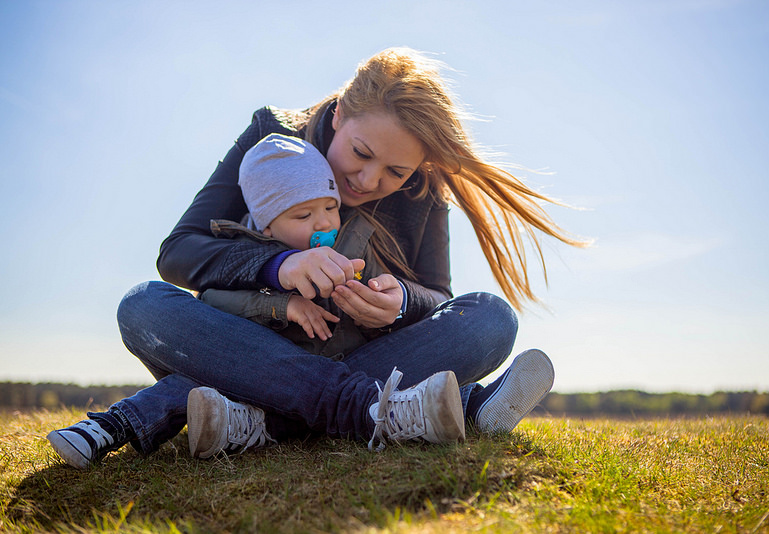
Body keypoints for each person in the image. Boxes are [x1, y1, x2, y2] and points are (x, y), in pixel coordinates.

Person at [46, 47, 583, 469]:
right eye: (362, 154)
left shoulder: (424, 191)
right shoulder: (270, 139)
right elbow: (179, 254)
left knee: (490, 317)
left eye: (394, 173)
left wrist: (400, 304)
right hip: (255, 338)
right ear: (340, 113)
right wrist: (278, 268)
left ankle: (257, 417)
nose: (369, 182)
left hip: (335, 354)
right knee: (143, 305)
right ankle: (398, 410)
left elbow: (438, 297)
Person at [199, 132, 392, 360]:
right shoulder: (245, 251)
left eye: (331, 208)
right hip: (273, 367)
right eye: (303, 215)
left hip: (353, 362)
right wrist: (284, 305)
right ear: (267, 226)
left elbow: (383, 299)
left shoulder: (355, 242)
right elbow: (210, 300)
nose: (324, 222)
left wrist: (374, 313)